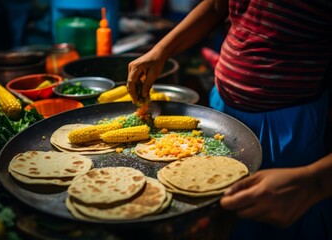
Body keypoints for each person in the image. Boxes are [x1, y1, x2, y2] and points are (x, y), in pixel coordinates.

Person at [126, 0, 332, 239]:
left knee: (279, 218)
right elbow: (216, 7)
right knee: (227, 213)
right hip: (222, 111)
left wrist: (314, 182)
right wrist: (160, 51)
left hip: (287, 125)